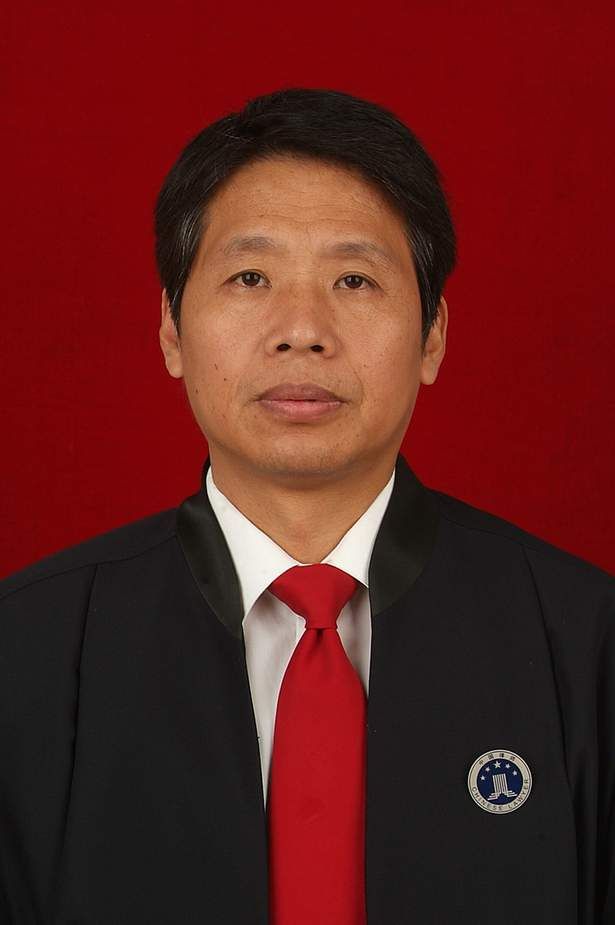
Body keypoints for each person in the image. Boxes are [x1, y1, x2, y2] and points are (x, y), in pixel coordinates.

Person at [1, 86, 613, 925]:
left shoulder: (585, 644)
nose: (301, 329)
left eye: (353, 279)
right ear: (172, 330)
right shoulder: (26, 653)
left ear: (431, 335)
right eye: (250, 276)